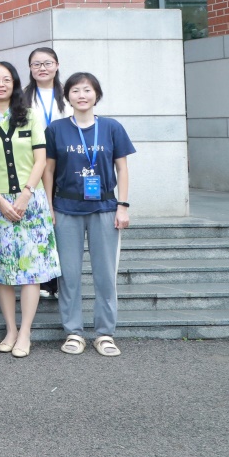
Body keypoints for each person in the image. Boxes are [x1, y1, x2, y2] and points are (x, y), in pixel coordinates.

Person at [0, 62, 60, 359]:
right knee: (2, 268)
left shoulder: (30, 116)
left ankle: (25, 332)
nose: (0, 84)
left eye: (6, 79)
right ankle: (10, 329)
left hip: (31, 201)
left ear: (15, 84)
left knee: (32, 270)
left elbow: (41, 160)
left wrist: (26, 194)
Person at [44, 72, 135, 358]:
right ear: (67, 97)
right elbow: (48, 170)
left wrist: (123, 205)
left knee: (105, 275)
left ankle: (104, 334)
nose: (81, 95)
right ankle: (73, 332)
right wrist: (48, 207)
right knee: (68, 275)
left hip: (104, 208)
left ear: (96, 95)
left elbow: (122, 168)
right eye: (75, 91)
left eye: (87, 90)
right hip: (65, 208)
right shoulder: (56, 129)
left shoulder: (111, 127)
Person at [24, 45, 72, 297]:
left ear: (57, 65)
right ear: (30, 68)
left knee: (59, 222)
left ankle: (60, 280)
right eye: (37, 64)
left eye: (47, 63)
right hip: (33, 162)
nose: (42, 68)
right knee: (41, 220)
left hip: (64, 163)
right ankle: (43, 280)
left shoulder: (69, 94)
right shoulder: (22, 97)